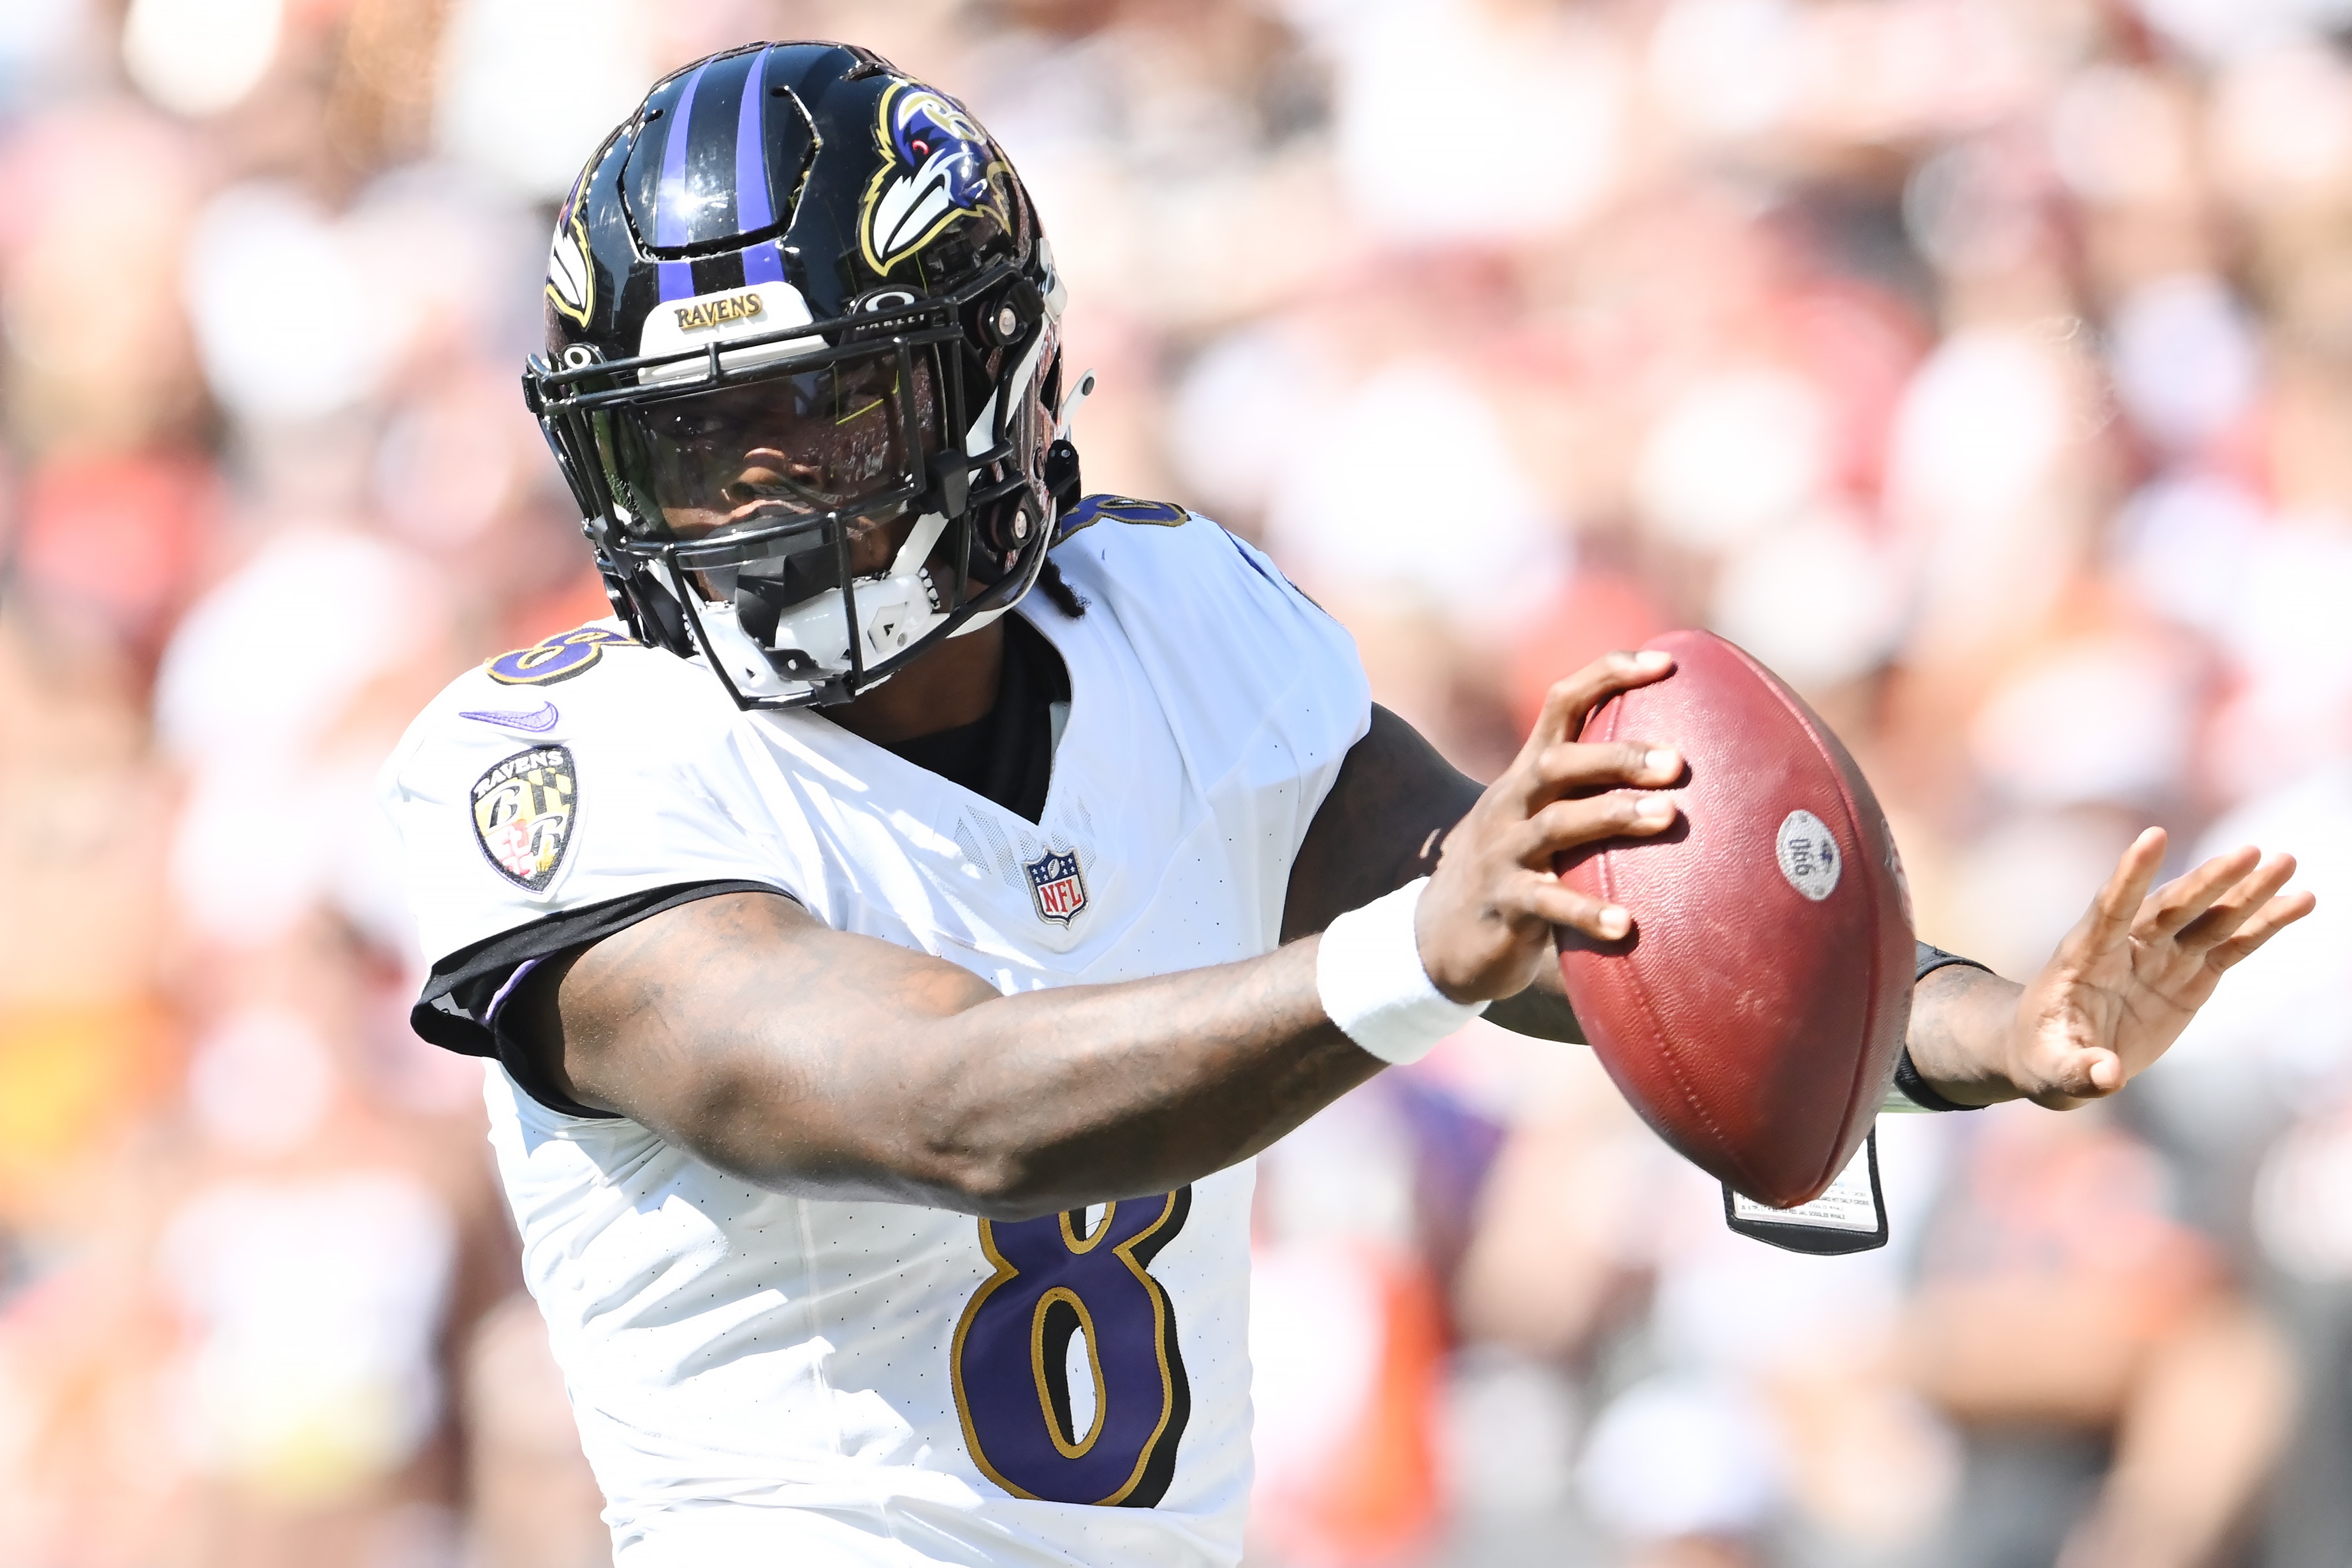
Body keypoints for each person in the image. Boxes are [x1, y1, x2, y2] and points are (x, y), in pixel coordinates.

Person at [375, 41, 2314, 1567]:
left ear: (991, 380)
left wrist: (1987, 1028)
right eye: (691, 439)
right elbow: (947, 1108)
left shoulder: (1173, 621)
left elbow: (1582, 917)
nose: (756, 498)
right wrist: (1408, 959)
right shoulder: (555, 770)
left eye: (820, 413)